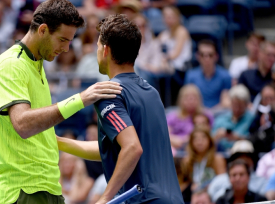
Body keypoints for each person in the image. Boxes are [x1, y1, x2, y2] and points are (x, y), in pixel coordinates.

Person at [0, 0, 121, 204]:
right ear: (42, 30)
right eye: (62, 40)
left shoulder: (37, 64)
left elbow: (41, 133)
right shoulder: (11, 65)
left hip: (48, 187)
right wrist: (81, 99)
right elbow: (23, 124)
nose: (66, 49)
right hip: (25, 191)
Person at [57, 14, 184, 204]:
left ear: (106, 50)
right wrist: (58, 142)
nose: (96, 50)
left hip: (145, 201)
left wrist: (104, 198)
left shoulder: (110, 94)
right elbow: (115, 149)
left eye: (98, 46)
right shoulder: (151, 92)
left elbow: (132, 148)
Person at [185, 39, 231, 108]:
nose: (206, 58)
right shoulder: (190, 75)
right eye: (202, 54)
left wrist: (210, 113)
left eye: (210, 55)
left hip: (218, 113)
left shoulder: (225, 76)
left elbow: (225, 102)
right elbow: (188, 100)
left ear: (216, 56)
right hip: (196, 113)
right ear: (198, 56)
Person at [166, 84, 214, 149]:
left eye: (194, 98)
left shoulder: (206, 115)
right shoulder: (172, 117)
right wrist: (174, 140)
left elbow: (210, 134)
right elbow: (165, 134)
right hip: (175, 147)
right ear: (181, 100)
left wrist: (187, 139)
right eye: (187, 98)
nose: (191, 101)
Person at [158, 6, 192, 93]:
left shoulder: (182, 31)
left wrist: (164, 59)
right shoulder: (164, 33)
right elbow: (156, 47)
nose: (168, 19)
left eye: (171, 16)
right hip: (167, 64)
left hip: (181, 67)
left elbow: (176, 53)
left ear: (178, 17)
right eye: (166, 16)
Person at [182, 126, 226, 190]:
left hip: (212, 193)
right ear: (191, 142)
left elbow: (222, 182)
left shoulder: (217, 159)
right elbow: (182, 182)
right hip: (191, 194)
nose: (199, 142)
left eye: (203, 138)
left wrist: (205, 187)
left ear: (210, 141)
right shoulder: (187, 160)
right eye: (195, 139)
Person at [212, 85, 254, 152]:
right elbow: (209, 141)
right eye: (235, 105)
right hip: (220, 153)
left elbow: (256, 141)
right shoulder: (221, 118)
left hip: (242, 154)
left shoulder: (252, 119)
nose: (237, 109)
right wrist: (217, 136)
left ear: (246, 105)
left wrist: (239, 138)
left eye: (240, 106)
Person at [249, 85, 275, 154]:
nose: (268, 102)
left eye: (271, 98)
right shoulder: (258, 115)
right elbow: (251, 131)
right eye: (265, 99)